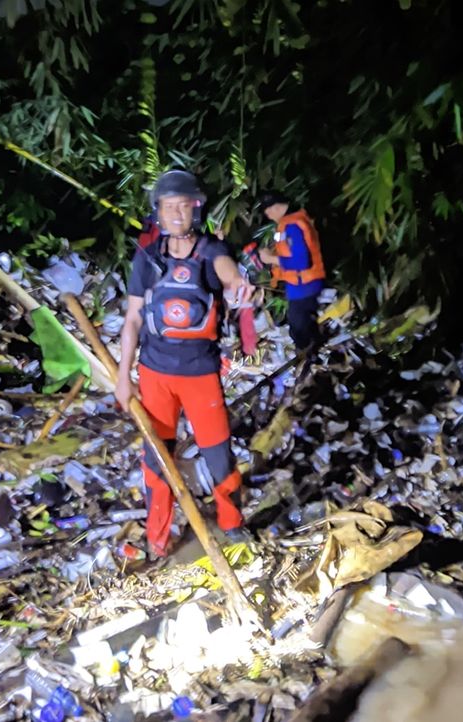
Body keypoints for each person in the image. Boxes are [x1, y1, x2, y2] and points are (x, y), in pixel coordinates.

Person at [116, 170, 253, 558]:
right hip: (156, 373)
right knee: (157, 457)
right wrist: (124, 379)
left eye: (184, 206)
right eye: (168, 206)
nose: (176, 214)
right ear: (157, 211)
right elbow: (133, 320)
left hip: (200, 373)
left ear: (197, 209)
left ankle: (231, 522)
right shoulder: (147, 257)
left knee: (218, 453)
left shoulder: (210, 251)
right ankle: (158, 538)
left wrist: (238, 286)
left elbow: (228, 273)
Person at [256, 191, 325, 351]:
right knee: (304, 324)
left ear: (278, 206)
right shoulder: (292, 222)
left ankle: (309, 359)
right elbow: (290, 252)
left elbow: (300, 261)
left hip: (304, 284)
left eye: (268, 211)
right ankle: (316, 352)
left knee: (299, 330)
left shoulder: (292, 225)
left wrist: (270, 259)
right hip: (299, 284)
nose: (268, 216)